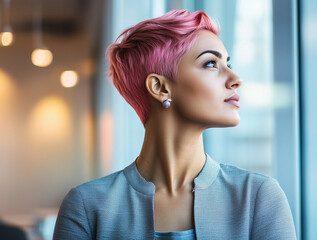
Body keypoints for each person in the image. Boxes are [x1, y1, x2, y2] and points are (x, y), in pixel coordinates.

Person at [53, 9, 296, 240]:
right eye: (211, 63)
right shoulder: (86, 206)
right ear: (160, 88)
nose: (235, 79)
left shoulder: (259, 197)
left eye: (228, 65)